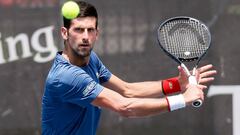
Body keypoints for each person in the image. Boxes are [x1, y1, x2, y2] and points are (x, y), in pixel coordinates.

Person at [41, 1, 217, 135]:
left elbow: (128, 90)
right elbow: (124, 107)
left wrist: (177, 85)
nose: (85, 37)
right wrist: (182, 99)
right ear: (65, 33)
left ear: (97, 33)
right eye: (78, 30)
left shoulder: (91, 60)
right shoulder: (66, 76)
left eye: (90, 30)